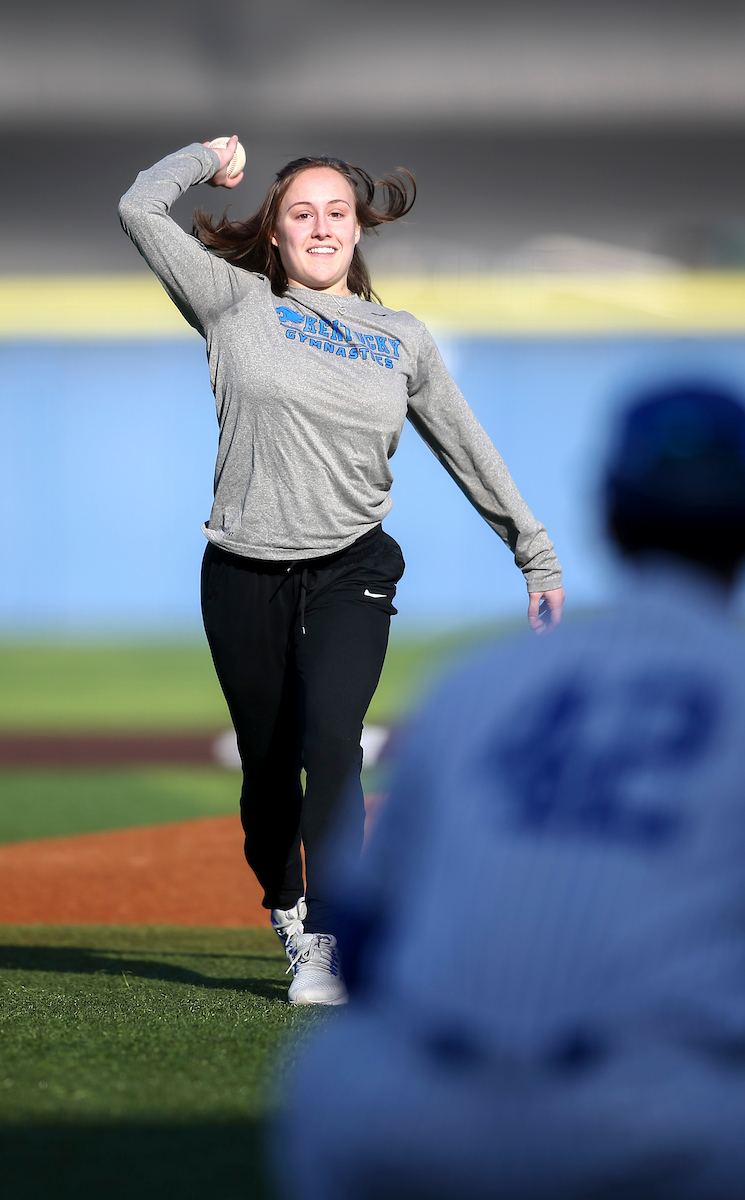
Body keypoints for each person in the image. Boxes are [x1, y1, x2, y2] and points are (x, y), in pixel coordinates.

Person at [274, 382, 745, 1198]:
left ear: (611, 518)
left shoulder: (476, 682)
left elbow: (364, 925)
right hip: (667, 1125)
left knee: (338, 1064)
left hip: (411, 1116)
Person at [118, 137, 564, 1006]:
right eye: (302, 213)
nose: (321, 227)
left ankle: (327, 939)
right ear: (275, 233)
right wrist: (206, 157)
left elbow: (466, 447)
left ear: (359, 229)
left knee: (332, 741)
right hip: (243, 571)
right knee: (267, 772)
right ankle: (286, 902)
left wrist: (533, 551)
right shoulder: (232, 301)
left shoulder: (402, 339)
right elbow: (139, 208)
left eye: (336, 213)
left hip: (351, 568)